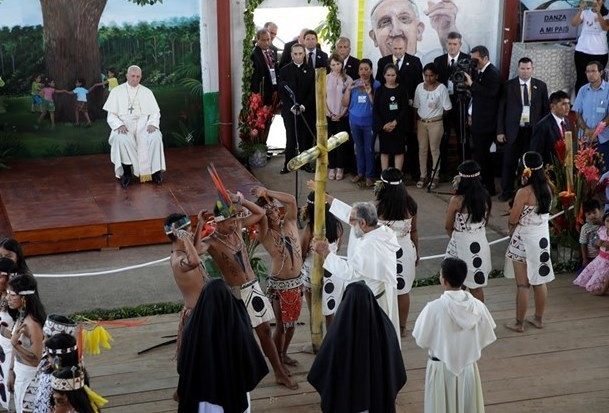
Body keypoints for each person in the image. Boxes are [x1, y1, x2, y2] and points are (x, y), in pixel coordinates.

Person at [199, 190, 297, 389]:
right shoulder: (211, 242)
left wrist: (240, 201)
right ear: (218, 222)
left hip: (252, 288)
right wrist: (200, 226)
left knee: (265, 332)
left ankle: (278, 372)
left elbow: (260, 213)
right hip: (234, 293)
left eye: (235, 219)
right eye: (229, 221)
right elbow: (193, 254)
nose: (234, 223)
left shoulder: (237, 228)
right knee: (235, 337)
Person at [412, 257, 497, 413]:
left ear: (444, 281)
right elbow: (486, 335)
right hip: (468, 368)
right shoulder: (478, 307)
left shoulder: (433, 308)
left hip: (440, 370)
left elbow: (421, 340)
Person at [307, 282, 406, 413]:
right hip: (377, 401)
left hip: (346, 403)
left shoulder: (338, 333)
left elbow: (322, 367)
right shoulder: (385, 328)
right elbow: (395, 366)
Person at [313, 201, 401, 341]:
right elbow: (350, 214)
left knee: (368, 341)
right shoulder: (381, 230)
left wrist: (326, 253)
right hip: (375, 296)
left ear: (363, 223)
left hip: (372, 304)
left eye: (352, 221)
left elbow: (349, 272)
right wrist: (327, 198)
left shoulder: (369, 246)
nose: (350, 223)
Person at [177, 279, 268, 413]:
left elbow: (184, 363)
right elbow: (249, 359)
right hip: (233, 394)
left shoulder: (193, 327)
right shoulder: (238, 326)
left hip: (202, 397)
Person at [251, 186, 303, 369]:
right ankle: (277, 361)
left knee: (292, 324)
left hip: (297, 282)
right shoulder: (264, 233)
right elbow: (258, 215)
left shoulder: (290, 221)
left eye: (274, 209)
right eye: (268, 212)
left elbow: (291, 200)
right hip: (280, 284)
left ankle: (284, 353)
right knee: (281, 325)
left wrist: (267, 193)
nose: (273, 213)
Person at [505, 151, 554, 333]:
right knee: (539, 281)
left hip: (524, 239)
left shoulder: (524, 192)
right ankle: (538, 319)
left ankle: (519, 323)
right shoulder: (548, 188)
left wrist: (510, 230)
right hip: (541, 238)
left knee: (523, 284)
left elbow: (513, 218)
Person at [103, 65, 166, 188]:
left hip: (144, 125)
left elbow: (155, 113)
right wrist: (119, 125)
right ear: (127, 76)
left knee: (155, 137)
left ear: (140, 77)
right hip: (125, 125)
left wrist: (152, 123)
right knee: (120, 139)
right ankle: (127, 173)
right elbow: (111, 116)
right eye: (132, 76)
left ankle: (155, 172)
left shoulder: (147, 92)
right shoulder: (116, 92)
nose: (135, 79)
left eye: (138, 76)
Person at [496, 57, 549, 202]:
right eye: (522, 68)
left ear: (532, 69)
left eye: (528, 68)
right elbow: (501, 109)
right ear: (518, 69)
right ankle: (506, 191)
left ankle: (526, 190)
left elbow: (545, 111)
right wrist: (500, 131)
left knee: (529, 163)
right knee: (509, 162)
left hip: (532, 131)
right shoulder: (508, 86)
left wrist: (543, 131)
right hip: (513, 130)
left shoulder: (540, 86)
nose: (525, 71)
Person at [375, 168, 419, 337]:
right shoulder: (411, 206)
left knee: (382, 290)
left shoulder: (377, 208)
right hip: (405, 249)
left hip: (383, 251)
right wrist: (417, 252)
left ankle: (383, 327)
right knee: (403, 289)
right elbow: (414, 231)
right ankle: (401, 328)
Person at [375, 35, 422, 180]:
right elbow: (378, 83)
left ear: (405, 47)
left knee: (410, 142)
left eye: (401, 48)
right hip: (386, 114)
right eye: (395, 48)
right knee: (386, 147)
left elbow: (419, 85)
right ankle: (386, 176)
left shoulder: (415, 61)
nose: (398, 51)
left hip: (407, 111)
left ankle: (412, 173)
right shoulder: (383, 62)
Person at [444, 160, 492, 302]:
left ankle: (457, 313)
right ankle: (480, 314)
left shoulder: (457, 200)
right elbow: (486, 221)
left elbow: (448, 226)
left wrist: (456, 237)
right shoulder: (485, 197)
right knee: (476, 286)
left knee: (455, 286)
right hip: (480, 241)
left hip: (461, 242)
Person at [164, 213, 208, 360]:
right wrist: (185, 238)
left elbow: (195, 250)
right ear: (180, 235)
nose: (192, 234)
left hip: (204, 312)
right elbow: (195, 261)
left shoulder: (185, 253)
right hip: (197, 316)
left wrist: (200, 224)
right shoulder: (178, 260)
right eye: (189, 231)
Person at [300, 190, 344, 330]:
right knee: (330, 311)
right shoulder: (337, 226)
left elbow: (302, 253)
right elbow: (338, 248)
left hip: (312, 273)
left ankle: (317, 341)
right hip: (332, 271)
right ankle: (332, 339)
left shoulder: (309, 229)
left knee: (315, 312)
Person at [368, 0, 462, 64]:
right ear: (374, 38)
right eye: (385, 22)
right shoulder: (374, 69)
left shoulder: (434, 62)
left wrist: (447, 32)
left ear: (418, 31)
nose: (396, 32)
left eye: (404, 18)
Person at [464, 45, 502, 195]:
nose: (474, 63)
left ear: (485, 58)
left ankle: (488, 187)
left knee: (483, 156)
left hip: (487, 124)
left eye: (476, 60)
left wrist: (472, 84)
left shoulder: (492, 73)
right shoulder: (479, 72)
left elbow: (491, 94)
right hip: (478, 122)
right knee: (479, 155)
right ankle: (482, 185)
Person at [6, 274, 46, 413]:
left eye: (12, 295)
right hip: (19, 373)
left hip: (30, 378)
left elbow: (36, 360)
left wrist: (15, 344)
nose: (7, 298)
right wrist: (11, 370)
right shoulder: (21, 315)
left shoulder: (32, 324)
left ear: (24, 298)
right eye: (8, 293)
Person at [342, 59, 380, 187]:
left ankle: (369, 175)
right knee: (358, 148)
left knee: (369, 149)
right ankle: (360, 172)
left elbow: (378, 106)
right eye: (361, 69)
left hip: (369, 122)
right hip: (354, 121)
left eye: (366, 69)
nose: (363, 72)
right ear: (358, 71)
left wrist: (369, 93)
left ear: (371, 70)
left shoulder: (376, 85)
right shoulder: (353, 84)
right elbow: (344, 103)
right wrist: (348, 90)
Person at [413, 62, 452, 189]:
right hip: (421, 122)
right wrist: (415, 123)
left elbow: (447, 109)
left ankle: (435, 175)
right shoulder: (419, 87)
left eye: (431, 75)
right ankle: (423, 175)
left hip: (436, 123)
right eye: (426, 75)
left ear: (436, 76)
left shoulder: (441, 88)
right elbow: (416, 106)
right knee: (422, 149)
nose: (428, 78)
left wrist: (436, 115)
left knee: (434, 149)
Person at [434, 31, 470, 166]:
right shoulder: (438, 61)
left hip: (462, 104)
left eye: (455, 44)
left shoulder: (467, 60)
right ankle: (442, 168)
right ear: (446, 44)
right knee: (442, 136)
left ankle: (464, 167)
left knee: (463, 136)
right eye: (449, 44)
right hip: (443, 105)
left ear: (460, 44)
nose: (452, 47)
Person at [278, 43, 315, 175]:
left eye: (300, 53)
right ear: (291, 55)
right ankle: (288, 164)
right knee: (291, 137)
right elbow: (282, 91)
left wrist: (304, 105)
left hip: (306, 110)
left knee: (305, 138)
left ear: (304, 54)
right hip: (290, 110)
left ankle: (305, 164)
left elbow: (312, 91)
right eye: (295, 54)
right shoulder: (284, 70)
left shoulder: (311, 70)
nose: (298, 56)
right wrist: (291, 106)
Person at [572, 61, 609, 173]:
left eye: (593, 71)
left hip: (604, 139)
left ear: (601, 72)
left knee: (603, 172)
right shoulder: (583, 90)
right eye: (588, 71)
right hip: (585, 138)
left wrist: (596, 130)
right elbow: (577, 112)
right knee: (584, 173)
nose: (590, 74)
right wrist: (586, 129)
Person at [33, 330, 81, 413]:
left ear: (57, 360)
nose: (48, 360)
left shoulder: (50, 378)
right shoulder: (79, 373)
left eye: (49, 357)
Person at [374, 63, 409, 171]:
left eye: (393, 75)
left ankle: (398, 175)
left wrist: (395, 122)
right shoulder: (380, 90)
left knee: (399, 151)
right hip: (384, 127)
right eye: (388, 75)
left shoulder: (402, 89)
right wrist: (383, 125)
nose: (390, 78)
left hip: (398, 126)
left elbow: (404, 108)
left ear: (397, 75)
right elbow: (376, 109)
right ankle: (384, 175)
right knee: (384, 151)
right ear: (384, 75)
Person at [571, 0, 609, 94]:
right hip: (582, 51)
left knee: (597, 80)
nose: (596, 1)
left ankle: (596, 101)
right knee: (581, 79)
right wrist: (580, 10)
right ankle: (580, 101)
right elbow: (574, 23)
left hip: (600, 53)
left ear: (603, 1)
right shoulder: (585, 12)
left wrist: (598, 13)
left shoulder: (607, 14)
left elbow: (605, 27)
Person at [325, 54, 352, 180]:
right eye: (333, 64)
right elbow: (323, 98)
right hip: (329, 115)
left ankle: (340, 167)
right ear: (329, 66)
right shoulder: (325, 78)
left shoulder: (348, 79)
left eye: (338, 64)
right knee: (330, 142)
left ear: (342, 64)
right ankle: (332, 167)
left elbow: (349, 100)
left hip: (343, 115)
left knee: (341, 142)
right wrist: (330, 113)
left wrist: (341, 114)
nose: (336, 67)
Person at [530, 90, 571, 166]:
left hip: (564, 167)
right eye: (563, 104)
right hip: (549, 168)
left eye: (568, 103)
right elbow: (536, 154)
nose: (567, 107)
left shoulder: (567, 122)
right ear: (552, 106)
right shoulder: (542, 126)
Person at [574, 210, 609, 295]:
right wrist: (598, 243)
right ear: (604, 222)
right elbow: (595, 243)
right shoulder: (602, 230)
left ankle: (604, 289)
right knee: (586, 277)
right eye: (608, 221)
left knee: (595, 283)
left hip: (607, 262)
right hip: (600, 259)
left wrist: (603, 243)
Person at [0, 258, 16, 410]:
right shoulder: (2, 295)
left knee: (10, 387)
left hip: (12, 351)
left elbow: (18, 334)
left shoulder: (15, 301)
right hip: (1, 348)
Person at [251, 29, 278, 106]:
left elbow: (274, 71)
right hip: (261, 93)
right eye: (263, 40)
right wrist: (256, 95)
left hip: (272, 90)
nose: (266, 43)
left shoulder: (271, 52)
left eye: (268, 39)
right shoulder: (254, 55)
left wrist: (276, 88)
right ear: (257, 40)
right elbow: (254, 77)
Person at [579, 199, 603, 270]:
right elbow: (583, 243)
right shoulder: (585, 228)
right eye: (589, 214)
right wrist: (584, 259)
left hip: (604, 256)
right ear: (585, 215)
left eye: (594, 212)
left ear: (600, 211)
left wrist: (601, 223)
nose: (592, 215)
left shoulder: (606, 223)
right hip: (591, 257)